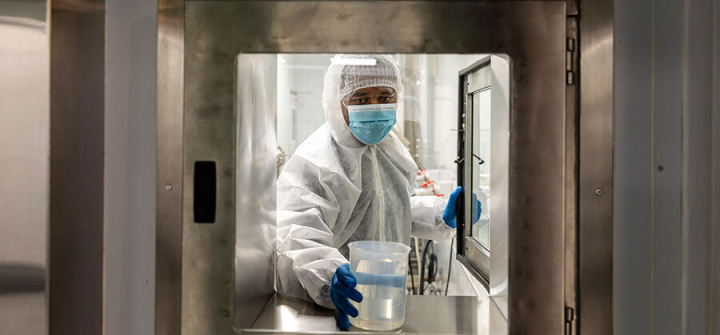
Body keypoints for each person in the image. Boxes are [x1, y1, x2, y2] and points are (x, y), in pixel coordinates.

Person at [276, 54, 480, 330]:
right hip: (324, 309)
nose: (374, 107)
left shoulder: (391, 150)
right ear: (339, 103)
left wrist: (439, 214)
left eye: (385, 97)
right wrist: (328, 276)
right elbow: (295, 233)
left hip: (383, 304)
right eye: (360, 99)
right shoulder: (315, 162)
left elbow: (388, 207)